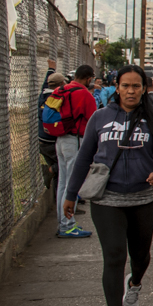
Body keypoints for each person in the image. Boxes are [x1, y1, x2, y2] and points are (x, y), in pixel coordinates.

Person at [64, 64, 153, 306]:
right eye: (125, 86)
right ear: (117, 87)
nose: (130, 91)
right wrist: (70, 195)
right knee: (114, 256)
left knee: (140, 257)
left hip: (144, 199)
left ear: (144, 88)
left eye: (136, 86)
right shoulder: (100, 118)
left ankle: (135, 283)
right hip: (107, 200)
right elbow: (83, 158)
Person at [55, 64, 98, 238]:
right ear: (88, 79)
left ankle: (62, 222)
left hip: (60, 139)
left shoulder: (60, 90)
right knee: (72, 184)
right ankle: (67, 225)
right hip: (75, 140)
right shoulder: (85, 95)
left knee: (63, 183)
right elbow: (94, 121)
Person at [37, 60, 65, 190]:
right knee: (63, 165)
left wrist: (51, 69)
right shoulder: (57, 98)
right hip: (51, 140)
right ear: (60, 85)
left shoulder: (43, 94)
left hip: (42, 139)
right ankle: (50, 171)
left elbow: (46, 84)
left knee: (59, 169)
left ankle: (51, 172)